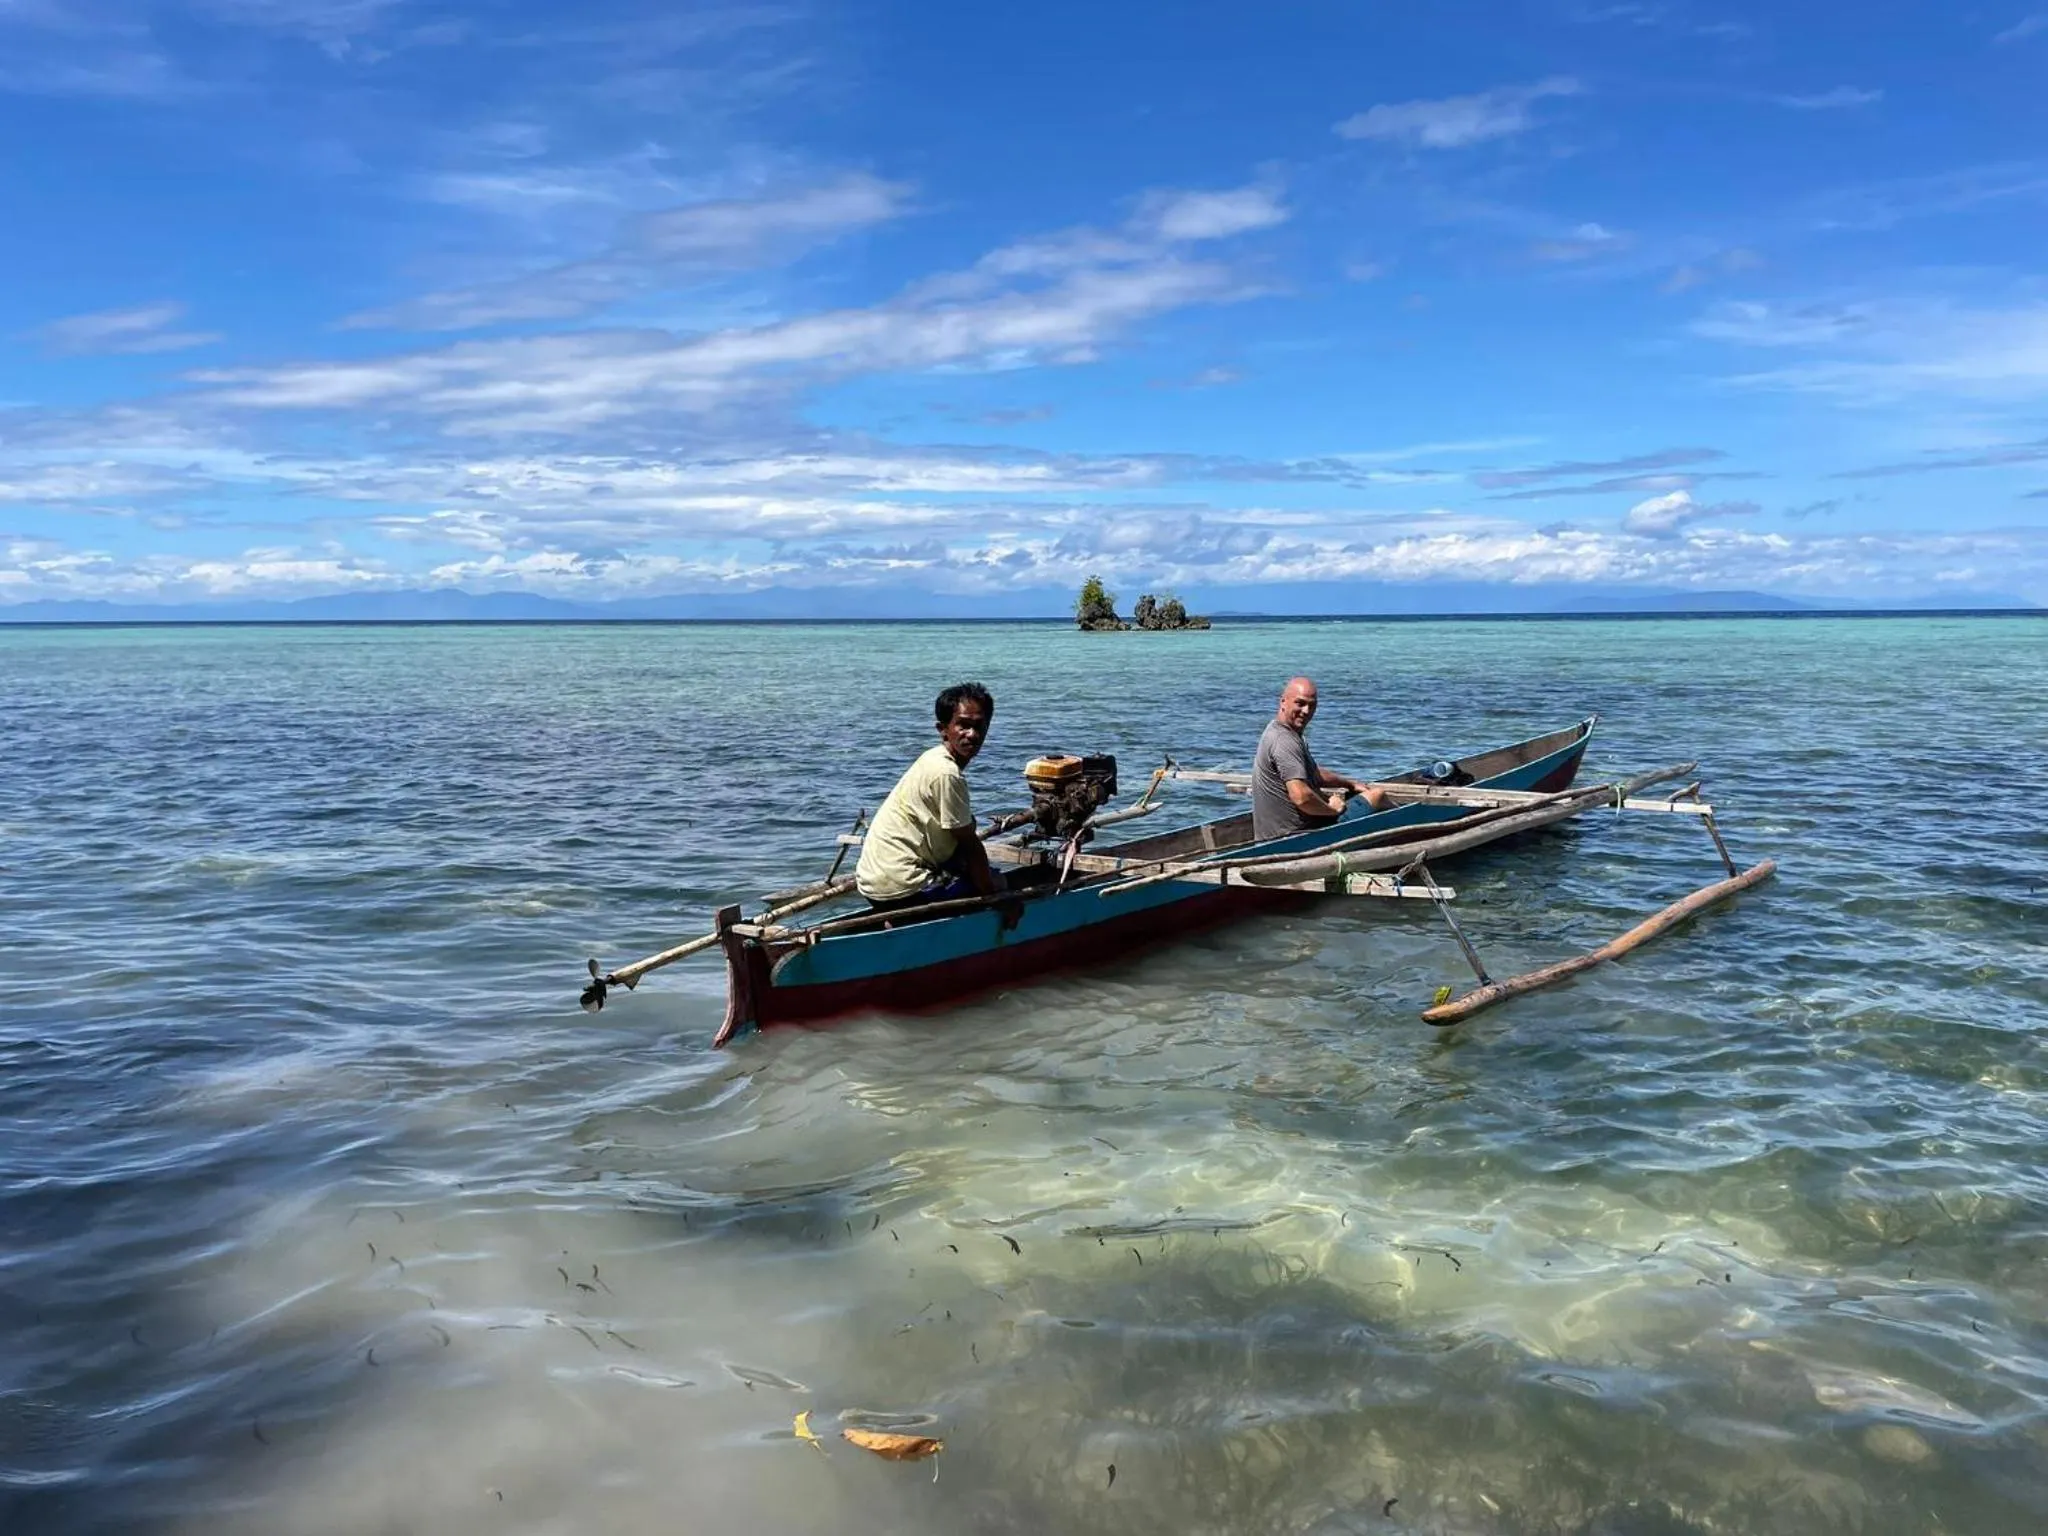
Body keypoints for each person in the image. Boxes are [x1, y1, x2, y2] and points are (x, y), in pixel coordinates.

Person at [856, 682, 1015, 920]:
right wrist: (996, 897)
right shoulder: (946, 773)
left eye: (979, 726)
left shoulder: (932, 758)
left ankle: (899, 921)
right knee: (999, 881)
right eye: (963, 725)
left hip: (872, 883)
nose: (972, 734)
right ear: (943, 729)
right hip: (902, 888)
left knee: (969, 867)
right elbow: (970, 844)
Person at [1250, 676, 1391, 841]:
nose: (1306, 711)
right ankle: (1408, 834)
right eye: (1300, 703)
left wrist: (1349, 783)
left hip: (1274, 835)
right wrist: (1332, 809)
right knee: (1378, 796)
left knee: (1362, 797)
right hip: (1297, 837)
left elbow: (1314, 774)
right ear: (1283, 702)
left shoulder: (1277, 731)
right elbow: (1301, 797)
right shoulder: (1284, 741)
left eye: (1312, 705)